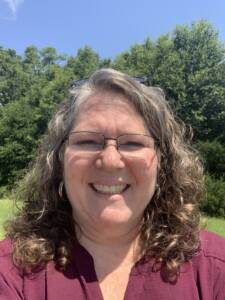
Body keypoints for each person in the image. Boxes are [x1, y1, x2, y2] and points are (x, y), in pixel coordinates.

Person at [0, 68, 225, 300]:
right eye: (87, 141)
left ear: (162, 162)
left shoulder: (216, 268)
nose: (110, 161)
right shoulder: (10, 272)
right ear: (59, 158)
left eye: (132, 144)